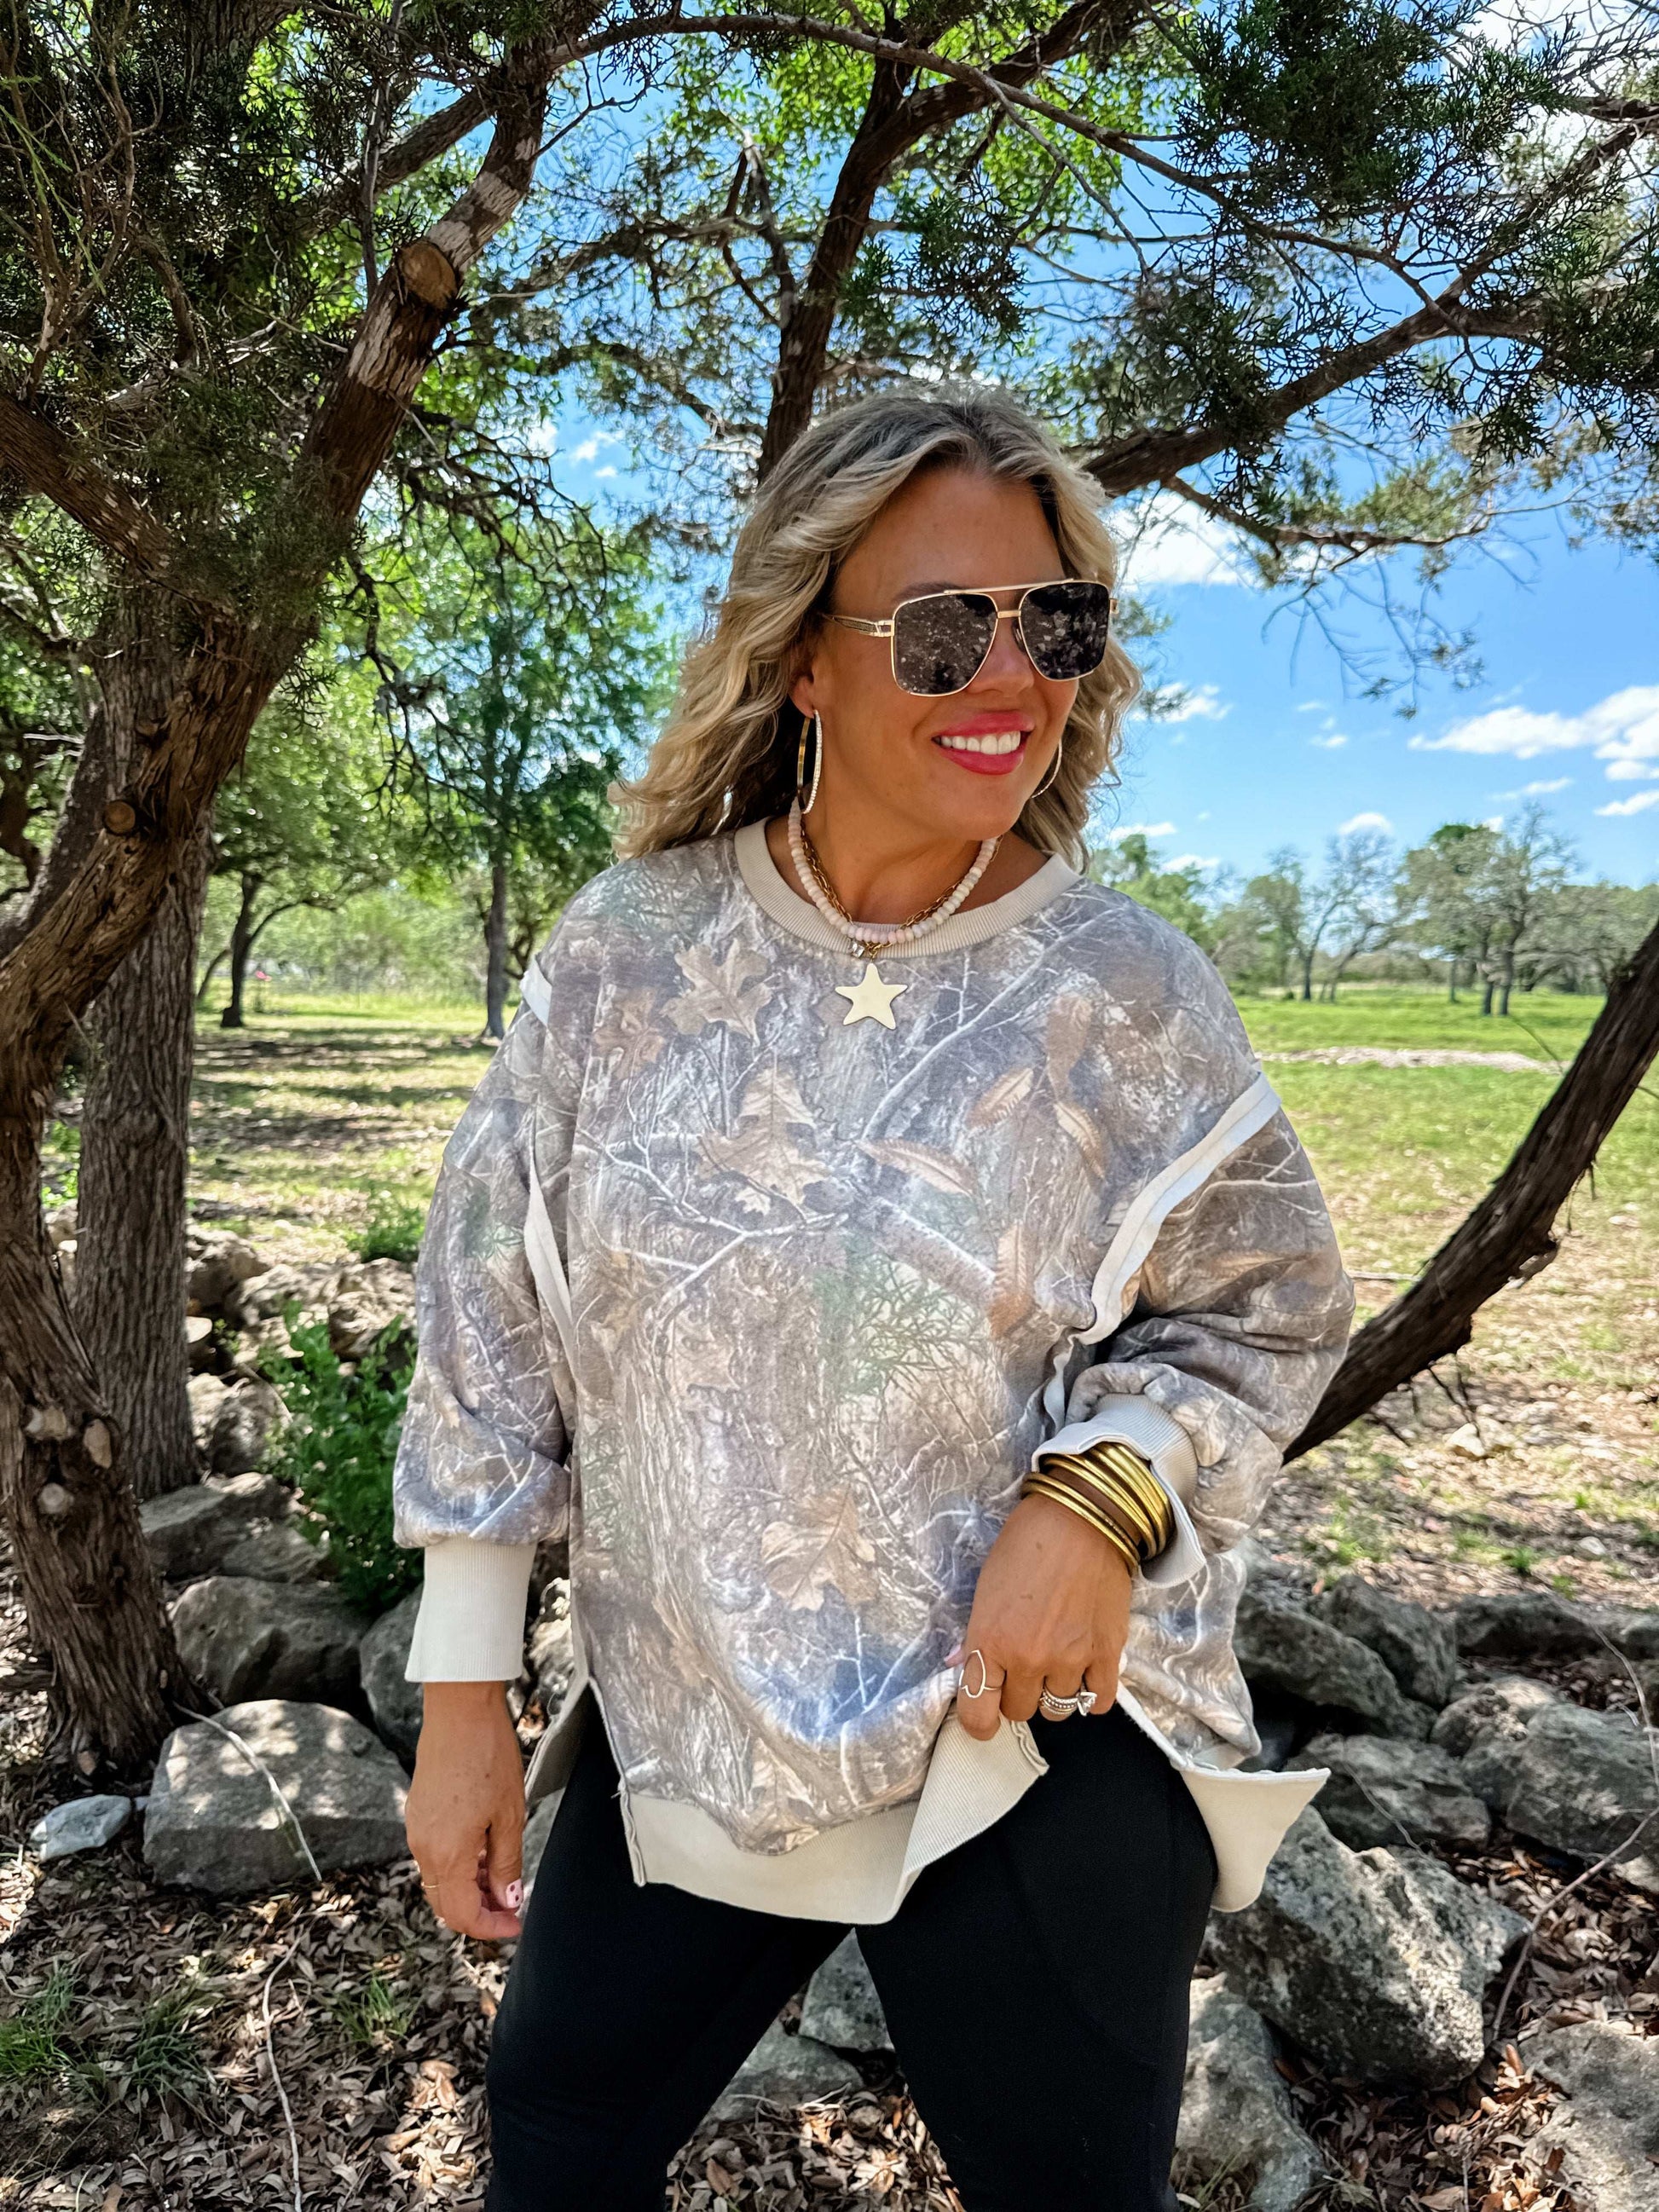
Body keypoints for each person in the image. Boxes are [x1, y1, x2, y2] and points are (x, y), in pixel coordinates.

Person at [392, 386, 1354, 2211]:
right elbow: (489, 1325)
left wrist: (1102, 1495)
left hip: (1034, 1734)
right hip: (688, 1711)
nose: (1008, 673)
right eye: (937, 627)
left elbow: (1266, 1306)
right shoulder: (625, 952)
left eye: (1052, 619)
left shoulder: (1130, 995)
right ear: (800, 662)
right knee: (560, 2146)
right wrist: (462, 1698)